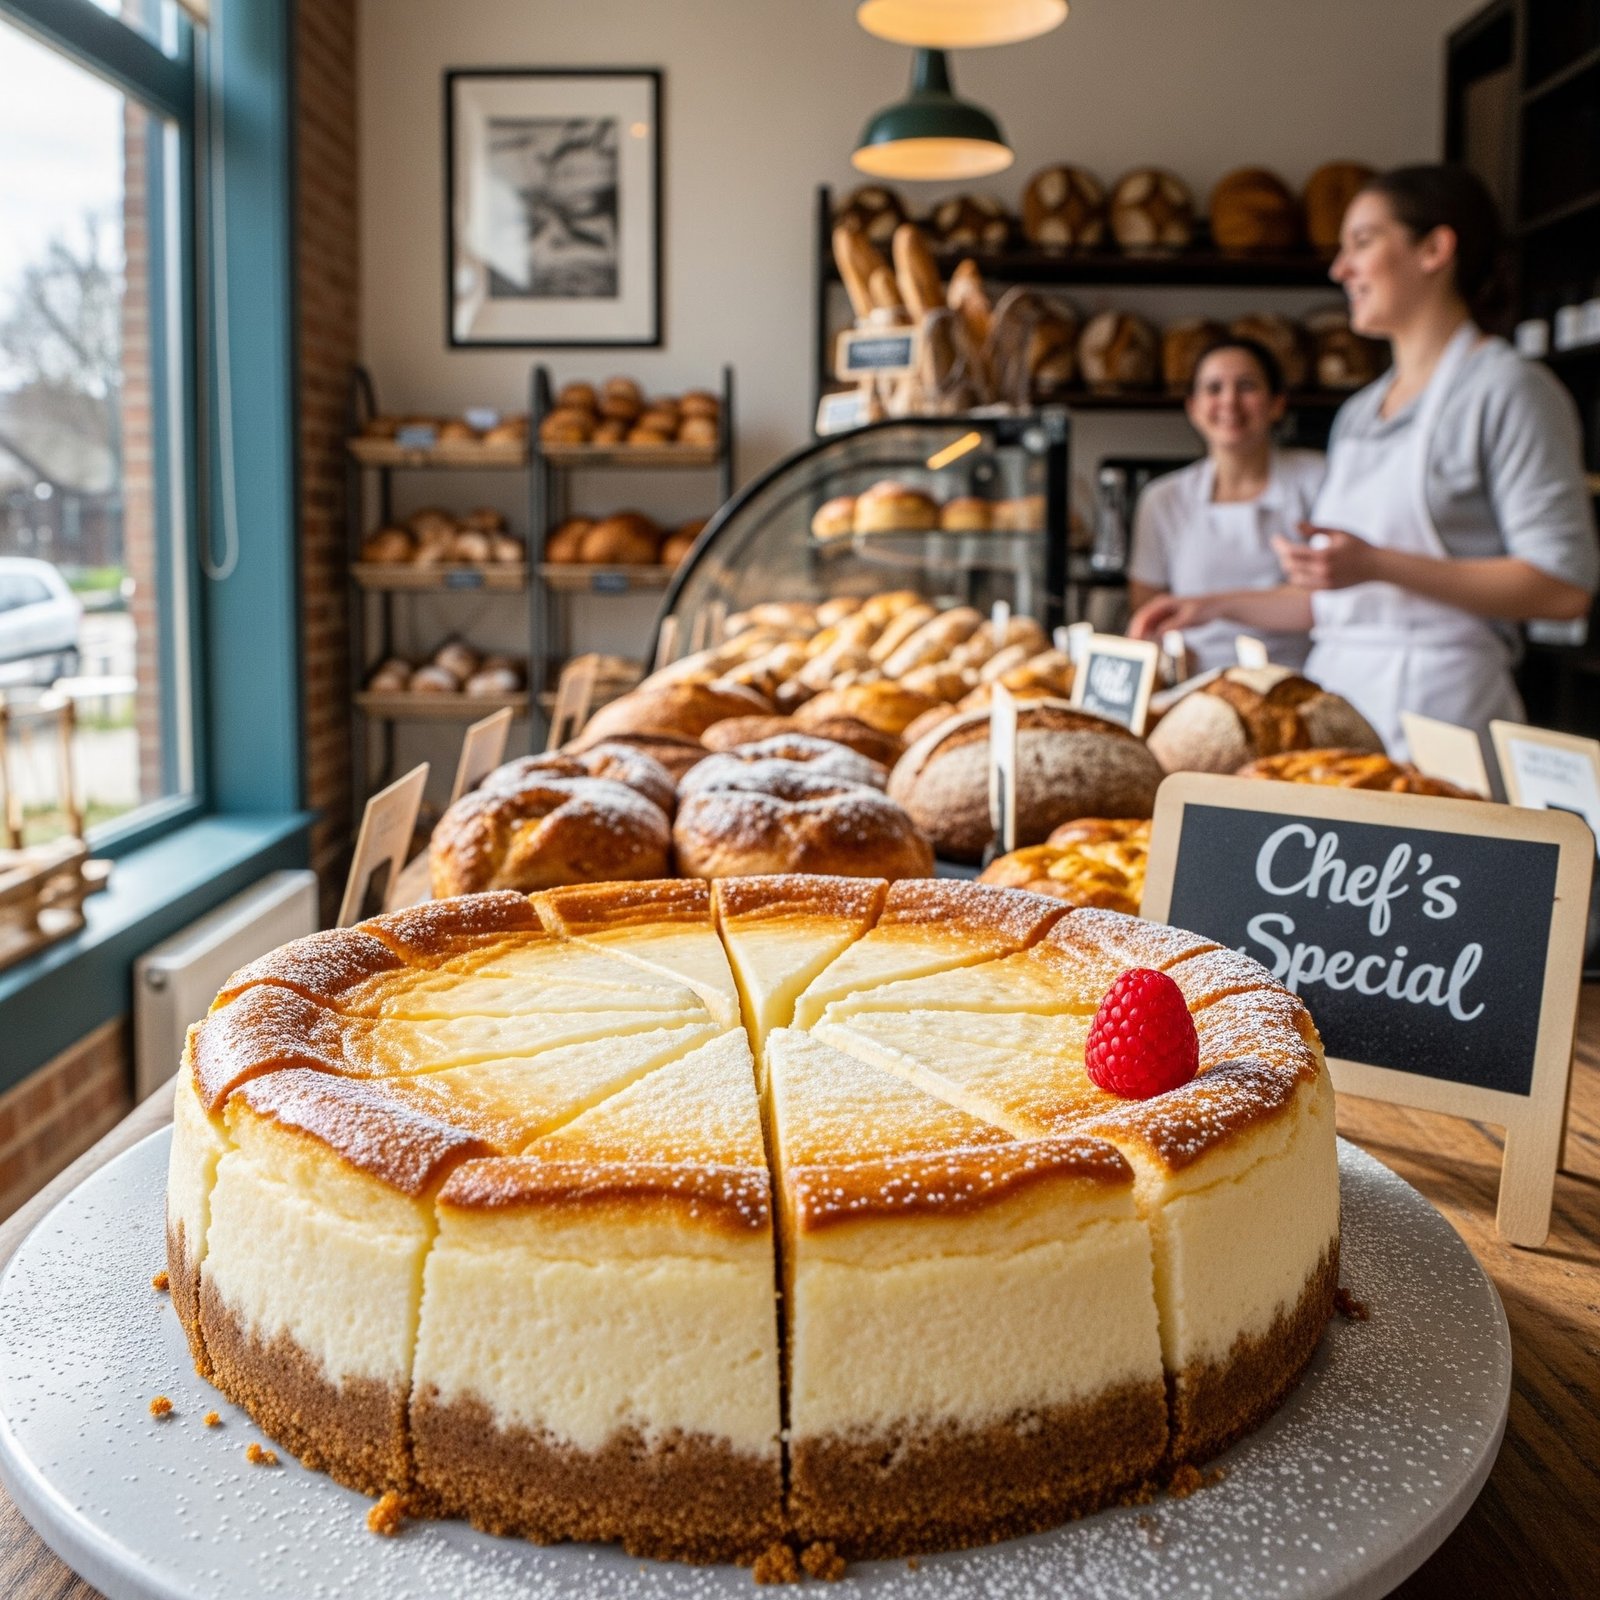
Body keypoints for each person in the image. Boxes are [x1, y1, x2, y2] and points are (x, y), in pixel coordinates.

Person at [1130, 164, 1598, 759]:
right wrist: (1207, 607)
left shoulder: (1508, 389)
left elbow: (1562, 588)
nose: (1339, 268)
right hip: (1340, 706)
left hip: (1445, 715)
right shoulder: (1359, 412)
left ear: (1434, 249)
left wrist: (1377, 563)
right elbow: (1336, 600)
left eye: (1362, 242)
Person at [1126, 338, 1324, 672]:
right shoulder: (1163, 499)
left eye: (1246, 386)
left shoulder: (1319, 480)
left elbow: (1333, 600)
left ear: (1277, 403)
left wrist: (1214, 606)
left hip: (1302, 678)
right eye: (1214, 388)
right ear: (1193, 407)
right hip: (1193, 689)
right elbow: (1148, 615)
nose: (1229, 401)